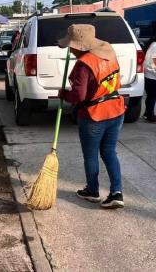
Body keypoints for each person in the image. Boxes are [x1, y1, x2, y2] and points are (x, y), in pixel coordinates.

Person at [58, 24, 126, 209]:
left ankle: (92, 191)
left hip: (94, 115)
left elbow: (79, 96)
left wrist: (64, 95)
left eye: (71, 46)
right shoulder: (108, 53)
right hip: (116, 109)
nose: (70, 50)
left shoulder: (84, 64)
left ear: (79, 45)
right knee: (110, 151)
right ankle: (116, 192)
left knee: (90, 155)